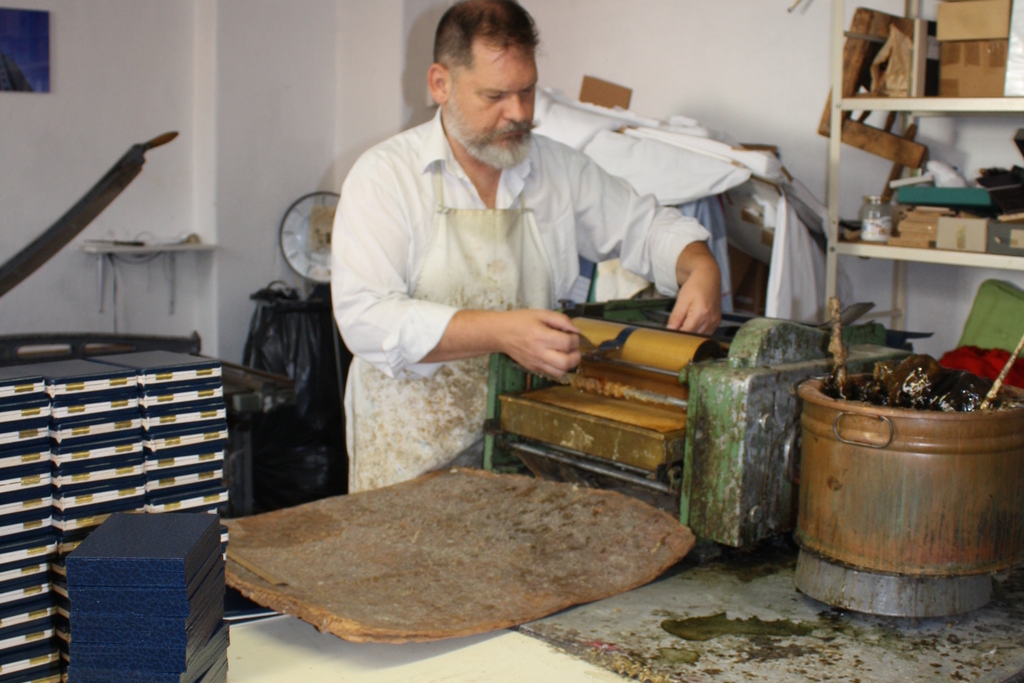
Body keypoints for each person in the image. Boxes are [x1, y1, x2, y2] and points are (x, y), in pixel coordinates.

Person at [331, 0, 721, 493]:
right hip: (407, 463)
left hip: (522, 454)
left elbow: (646, 227)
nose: (518, 113)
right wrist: (501, 332)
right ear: (440, 84)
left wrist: (699, 265)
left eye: (527, 90)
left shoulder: (558, 170)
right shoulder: (385, 177)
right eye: (495, 95)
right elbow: (366, 317)